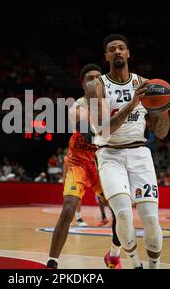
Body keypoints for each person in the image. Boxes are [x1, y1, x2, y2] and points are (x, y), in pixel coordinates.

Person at [86, 34, 170, 269]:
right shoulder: (96, 87)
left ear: (128, 53)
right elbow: (104, 130)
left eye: (121, 48)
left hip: (139, 153)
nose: (117, 52)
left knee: (151, 219)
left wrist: (164, 110)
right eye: (112, 49)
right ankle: (135, 264)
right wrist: (133, 104)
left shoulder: (147, 85)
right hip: (109, 155)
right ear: (106, 56)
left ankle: (154, 267)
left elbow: (162, 132)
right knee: (123, 214)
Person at [46, 64, 122, 270]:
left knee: (121, 212)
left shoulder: (112, 104)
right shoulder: (77, 106)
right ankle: (52, 263)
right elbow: (89, 131)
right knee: (69, 208)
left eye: (98, 77)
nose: (95, 81)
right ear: (83, 83)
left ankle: (114, 255)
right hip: (78, 161)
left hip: (101, 162)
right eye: (90, 78)